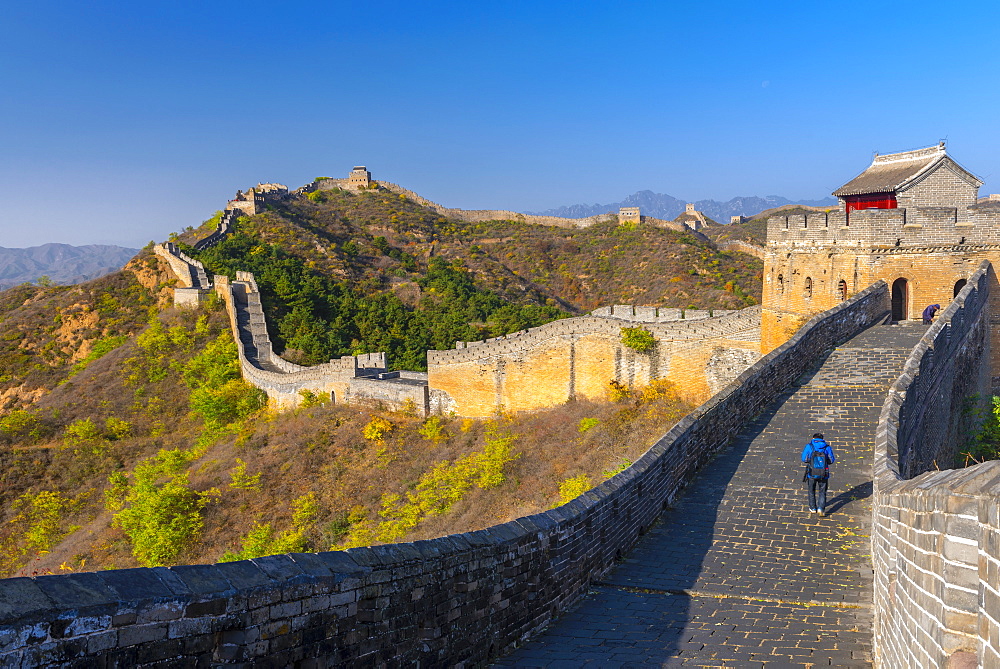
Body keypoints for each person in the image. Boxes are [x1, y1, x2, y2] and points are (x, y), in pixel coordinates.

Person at [801, 433, 835, 516]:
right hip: (824, 473)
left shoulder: (809, 446)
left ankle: (813, 508)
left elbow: (804, 459)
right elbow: (831, 460)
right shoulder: (827, 447)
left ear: (813, 438)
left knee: (811, 490)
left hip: (812, 472)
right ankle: (821, 508)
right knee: (822, 491)